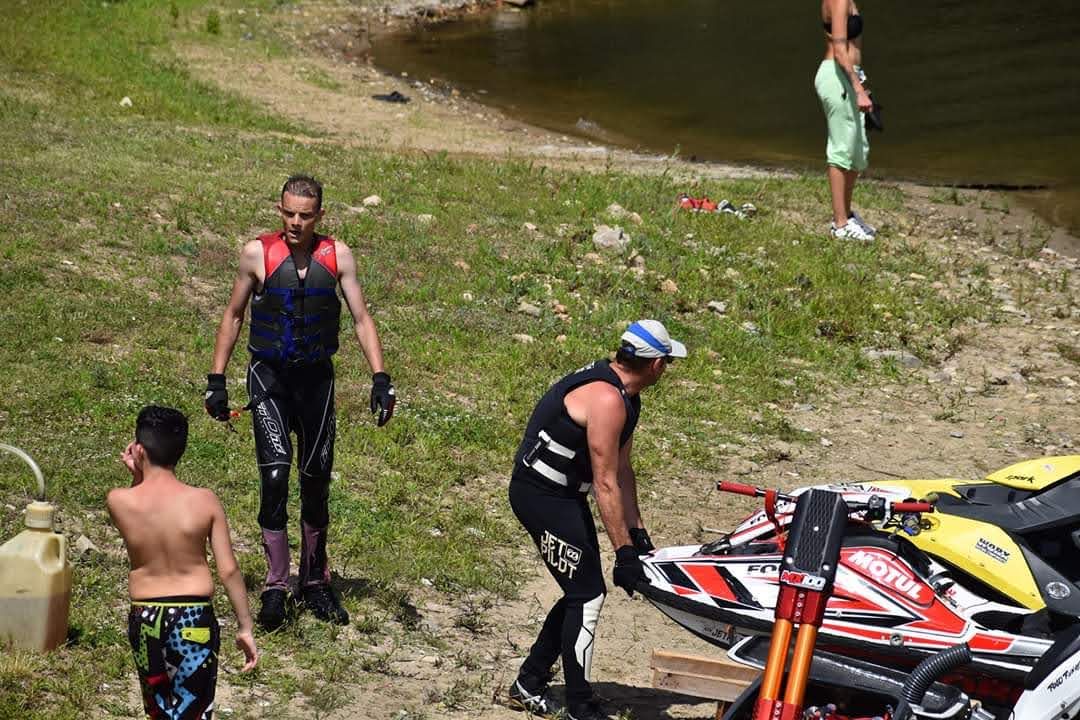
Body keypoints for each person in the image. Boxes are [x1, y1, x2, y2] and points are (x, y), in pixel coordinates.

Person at [204, 174, 396, 631]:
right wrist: (216, 380)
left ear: (319, 216)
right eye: (288, 213)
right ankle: (275, 585)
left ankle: (314, 581)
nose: (295, 222)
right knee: (275, 478)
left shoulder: (338, 256)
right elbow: (234, 315)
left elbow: (361, 318)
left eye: (304, 216)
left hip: (316, 383)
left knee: (316, 480)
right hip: (269, 381)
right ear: (280, 210)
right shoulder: (257, 254)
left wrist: (380, 377)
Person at [506, 320, 687, 720]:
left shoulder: (627, 398)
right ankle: (580, 706)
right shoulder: (607, 400)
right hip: (540, 497)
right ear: (656, 364)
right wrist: (623, 553)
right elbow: (605, 483)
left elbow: (623, 470)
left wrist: (637, 535)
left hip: (566, 496)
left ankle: (528, 684)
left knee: (581, 589)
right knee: (587, 594)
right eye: (668, 362)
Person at [107, 406, 258, 720]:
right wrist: (245, 627)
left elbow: (141, 516)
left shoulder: (119, 500)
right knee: (194, 710)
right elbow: (228, 569)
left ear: (138, 449)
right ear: (181, 451)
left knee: (158, 712)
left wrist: (137, 476)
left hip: (146, 617)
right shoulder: (204, 500)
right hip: (193, 618)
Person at [815, 0, 877, 241]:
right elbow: (840, 50)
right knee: (841, 149)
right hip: (837, 76)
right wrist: (858, 90)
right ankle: (839, 224)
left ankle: (847, 216)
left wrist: (860, 85)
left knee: (857, 151)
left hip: (849, 77)